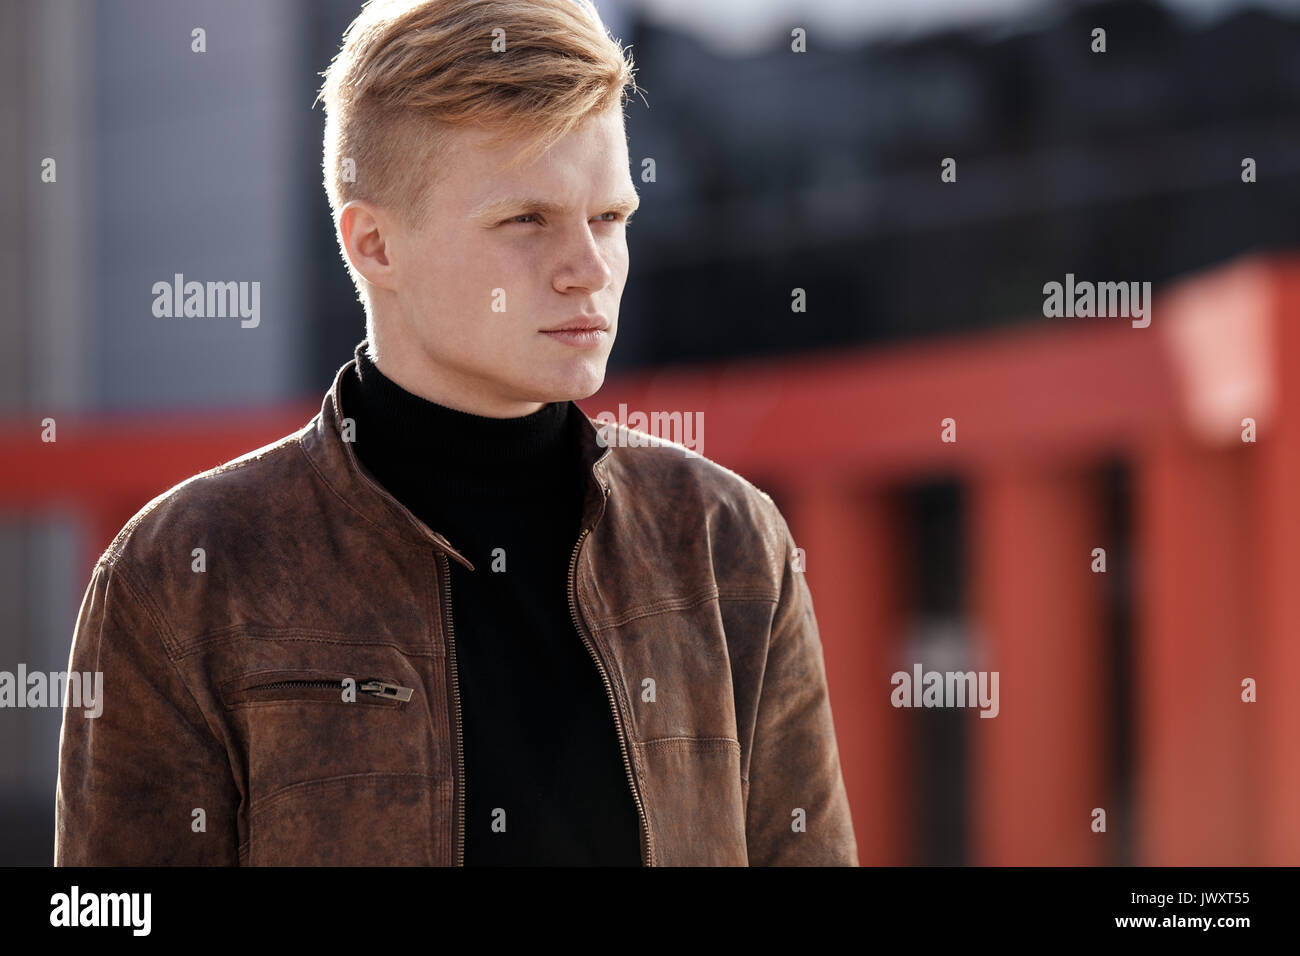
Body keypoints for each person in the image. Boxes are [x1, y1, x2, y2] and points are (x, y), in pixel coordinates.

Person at [54, 0, 858, 866]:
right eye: (527, 220)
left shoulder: (723, 541)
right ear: (374, 245)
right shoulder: (182, 574)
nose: (589, 269)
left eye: (610, 218)